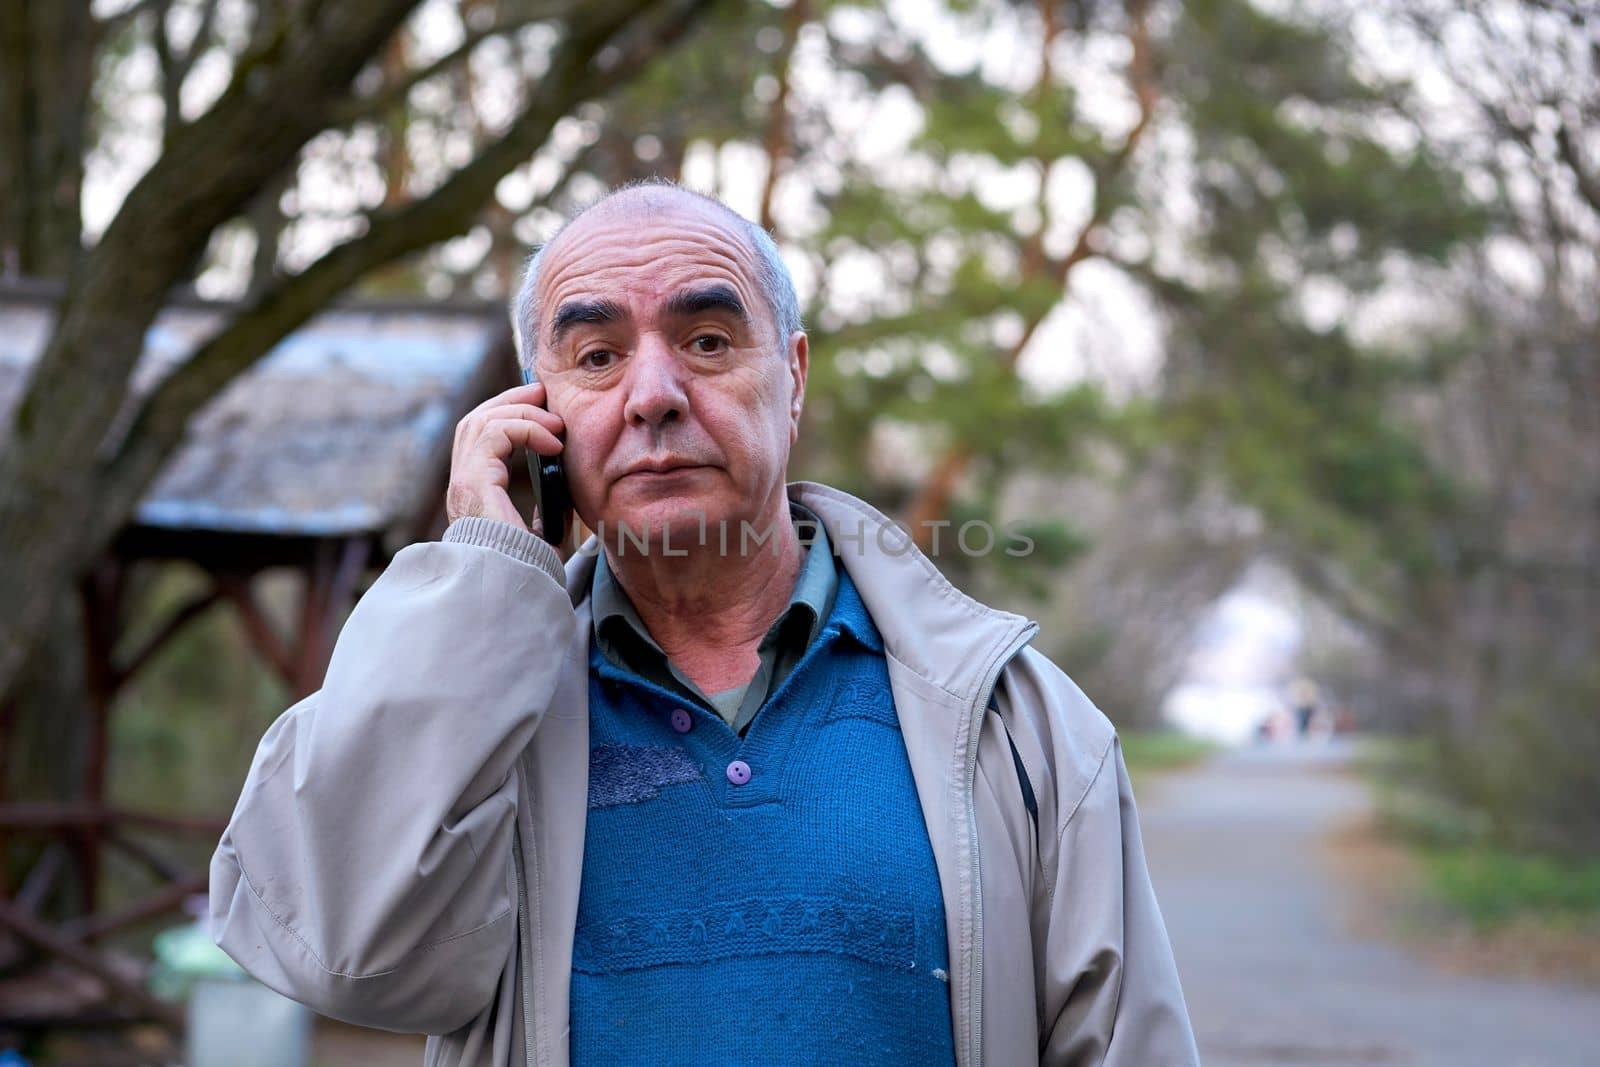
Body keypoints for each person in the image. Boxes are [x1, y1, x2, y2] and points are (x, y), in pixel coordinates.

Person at [208, 179, 1199, 1066]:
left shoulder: (1018, 724)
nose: (652, 396)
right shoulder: (476, 709)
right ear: (534, 413)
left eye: (708, 342)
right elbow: (340, 950)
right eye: (596, 355)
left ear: (794, 378)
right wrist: (479, 574)